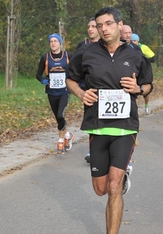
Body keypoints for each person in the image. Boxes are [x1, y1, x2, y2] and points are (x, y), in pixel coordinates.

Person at [66, 7, 153, 234]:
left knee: (114, 187)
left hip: (125, 126)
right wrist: (82, 94)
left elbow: (149, 84)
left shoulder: (134, 54)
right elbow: (71, 79)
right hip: (98, 126)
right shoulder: (86, 53)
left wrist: (139, 88)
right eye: (99, 25)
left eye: (108, 24)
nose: (104, 28)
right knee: (100, 189)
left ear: (119, 25)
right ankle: (122, 174)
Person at [36, 33, 75, 154]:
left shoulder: (68, 56)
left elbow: (76, 70)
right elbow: (38, 74)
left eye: (55, 41)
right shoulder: (46, 58)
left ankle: (60, 140)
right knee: (58, 117)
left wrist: (73, 80)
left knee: (60, 114)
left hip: (65, 91)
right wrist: (43, 80)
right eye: (51, 41)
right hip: (51, 91)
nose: (53, 43)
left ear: (60, 43)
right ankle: (68, 134)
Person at [76, 17, 101, 163]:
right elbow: (75, 69)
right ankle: (92, 150)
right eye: (88, 27)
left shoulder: (108, 45)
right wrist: (80, 89)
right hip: (89, 90)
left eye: (93, 26)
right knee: (92, 119)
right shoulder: (82, 46)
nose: (90, 29)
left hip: (107, 91)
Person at [131, 33, 155, 115]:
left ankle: (147, 105)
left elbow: (153, 58)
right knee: (134, 89)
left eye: (134, 40)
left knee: (145, 90)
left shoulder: (143, 47)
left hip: (144, 71)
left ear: (138, 41)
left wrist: (143, 58)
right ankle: (135, 107)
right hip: (134, 71)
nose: (133, 42)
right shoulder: (128, 47)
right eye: (131, 41)